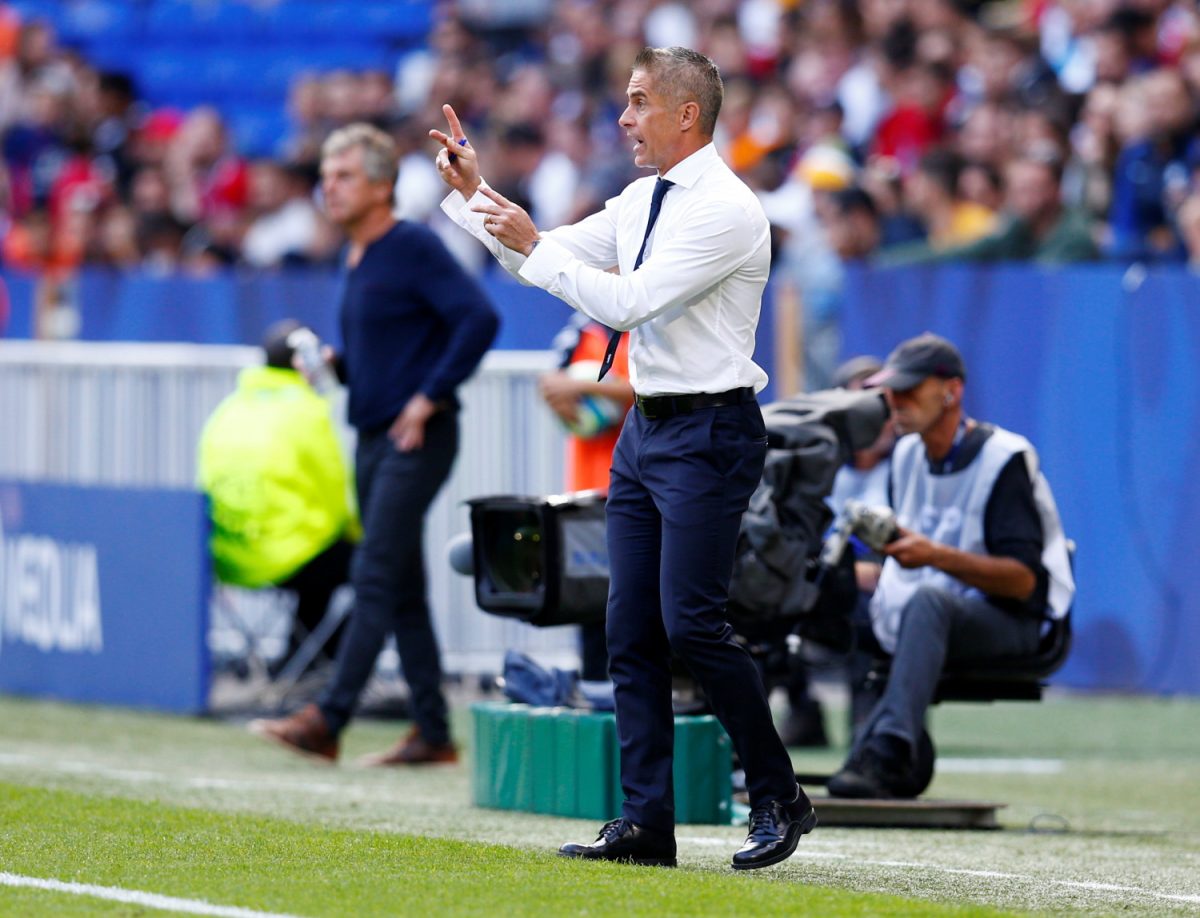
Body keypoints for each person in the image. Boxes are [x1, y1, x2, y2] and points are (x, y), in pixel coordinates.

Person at [433, 45, 816, 870]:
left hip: (710, 431)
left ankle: (779, 794)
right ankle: (646, 824)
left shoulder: (727, 209)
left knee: (692, 624)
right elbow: (544, 255)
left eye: (640, 102)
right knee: (629, 629)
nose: (624, 117)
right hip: (649, 430)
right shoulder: (643, 198)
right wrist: (473, 195)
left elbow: (628, 301)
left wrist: (532, 242)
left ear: (688, 114)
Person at [249, 123, 499, 766]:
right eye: (325, 178)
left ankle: (329, 718)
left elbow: (479, 319)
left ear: (382, 185)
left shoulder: (410, 244)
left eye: (344, 177)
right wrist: (340, 363)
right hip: (373, 436)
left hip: (416, 437)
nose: (329, 189)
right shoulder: (355, 254)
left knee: (375, 571)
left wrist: (429, 396)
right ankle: (433, 733)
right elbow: (389, 347)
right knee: (402, 588)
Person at [826, 333, 1075, 798]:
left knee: (928, 601)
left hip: (1011, 620)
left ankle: (887, 750)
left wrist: (934, 555)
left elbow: (1024, 583)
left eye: (908, 389)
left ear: (952, 391)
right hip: (931, 612)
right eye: (891, 391)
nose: (895, 401)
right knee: (826, 596)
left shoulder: (1004, 458)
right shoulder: (905, 454)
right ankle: (768, 750)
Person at [197, 318, 358, 676]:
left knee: (319, 562)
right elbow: (336, 496)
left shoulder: (229, 409)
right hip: (286, 558)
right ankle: (329, 670)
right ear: (306, 363)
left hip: (225, 557)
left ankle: (298, 664)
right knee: (382, 570)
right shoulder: (307, 412)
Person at [541, 314, 635, 682]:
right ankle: (596, 689)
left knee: (637, 596)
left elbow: (645, 390)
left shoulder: (652, 319)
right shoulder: (582, 329)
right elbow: (551, 383)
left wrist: (588, 387)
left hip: (642, 486)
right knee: (594, 598)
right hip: (589, 491)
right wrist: (562, 400)